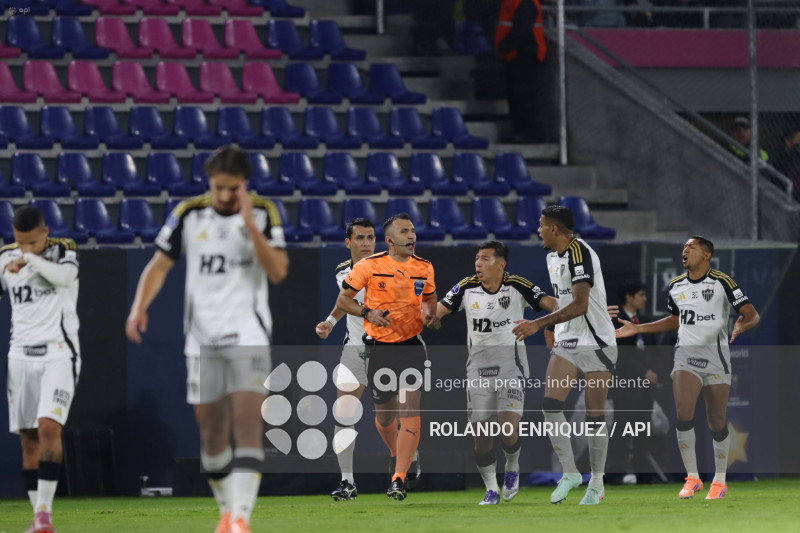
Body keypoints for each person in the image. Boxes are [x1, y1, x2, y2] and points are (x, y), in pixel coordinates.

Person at [126, 146, 289, 533]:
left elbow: (279, 270)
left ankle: (240, 520)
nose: (225, 195)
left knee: (248, 425)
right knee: (212, 439)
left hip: (248, 333)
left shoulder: (264, 212)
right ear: (209, 182)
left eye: (232, 188)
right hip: (202, 339)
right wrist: (138, 307)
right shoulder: (188, 214)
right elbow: (160, 264)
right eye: (218, 187)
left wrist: (250, 227)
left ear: (244, 185)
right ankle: (227, 512)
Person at [616, 236, 759, 500]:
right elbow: (674, 321)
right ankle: (692, 478)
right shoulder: (675, 286)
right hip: (685, 357)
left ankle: (719, 480)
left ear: (706, 255)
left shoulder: (723, 282)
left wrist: (741, 325)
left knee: (716, 421)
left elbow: (752, 314)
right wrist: (638, 327)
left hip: (717, 358)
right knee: (683, 413)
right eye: (683, 247)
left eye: (691, 247)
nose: (685, 251)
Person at [512, 205, 618, 505]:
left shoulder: (580, 253)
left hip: (597, 341)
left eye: (541, 224)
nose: (538, 229)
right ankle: (570, 473)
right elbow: (563, 299)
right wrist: (551, 330)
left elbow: (581, 304)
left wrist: (538, 323)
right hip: (569, 339)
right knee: (550, 405)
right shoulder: (551, 257)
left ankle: (596, 483)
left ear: (555, 229)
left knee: (594, 416)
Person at [431, 241, 548, 505]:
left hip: (512, 367)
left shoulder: (517, 285)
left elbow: (553, 304)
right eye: (476, 259)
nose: (478, 264)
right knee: (481, 439)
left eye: (484, 259)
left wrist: (543, 324)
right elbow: (436, 313)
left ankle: (512, 467)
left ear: (501, 264)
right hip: (477, 371)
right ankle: (491, 489)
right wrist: (431, 318)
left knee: (508, 429)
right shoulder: (466, 287)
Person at [335, 213, 438, 501]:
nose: (412, 236)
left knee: (410, 415)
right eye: (405, 231)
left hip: (411, 347)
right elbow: (342, 301)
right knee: (384, 418)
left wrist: (431, 315)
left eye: (414, 231)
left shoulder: (425, 267)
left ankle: (398, 478)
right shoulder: (367, 267)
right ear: (391, 239)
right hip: (374, 349)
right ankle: (396, 454)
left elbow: (430, 299)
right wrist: (368, 313)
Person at [315, 218, 418, 500]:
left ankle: (404, 454)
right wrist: (329, 323)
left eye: (370, 237)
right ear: (348, 243)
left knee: (386, 420)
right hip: (356, 351)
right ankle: (347, 481)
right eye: (359, 238)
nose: (365, 243)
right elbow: (344, 302)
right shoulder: (342, 271)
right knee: (344, 414)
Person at [1, 206, 79, 533]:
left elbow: (65, 277)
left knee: (49, 427)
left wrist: (30, 260)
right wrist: (19, 257)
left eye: (31, 243)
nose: (24, 249)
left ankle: (44, 514)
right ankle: (39, 522)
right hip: (20, 356)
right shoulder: (5, 257)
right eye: (20, 243)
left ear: (44, 234)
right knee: (29, 440)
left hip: (58, 354)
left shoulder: (64, 251)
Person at [607, 279, 659, 484]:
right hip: (625, 388)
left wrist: (654, 371)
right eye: (641, 295)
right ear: (628, 297)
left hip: (646, 390)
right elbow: (619, 354)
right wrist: (642, 372)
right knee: (622, 430)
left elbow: (655, 351)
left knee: (643, 430)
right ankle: (616, 473)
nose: (645, 299)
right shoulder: (614, 323)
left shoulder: (645, 322)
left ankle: (643, 474)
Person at [495, 0, 549, 143]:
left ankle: (530, 133)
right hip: (515, 55)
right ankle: (521, 132)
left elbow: (522, 31)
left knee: (524, 97)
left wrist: (503, 47)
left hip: (524, 55)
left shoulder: (525, 2)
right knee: (517, 96)